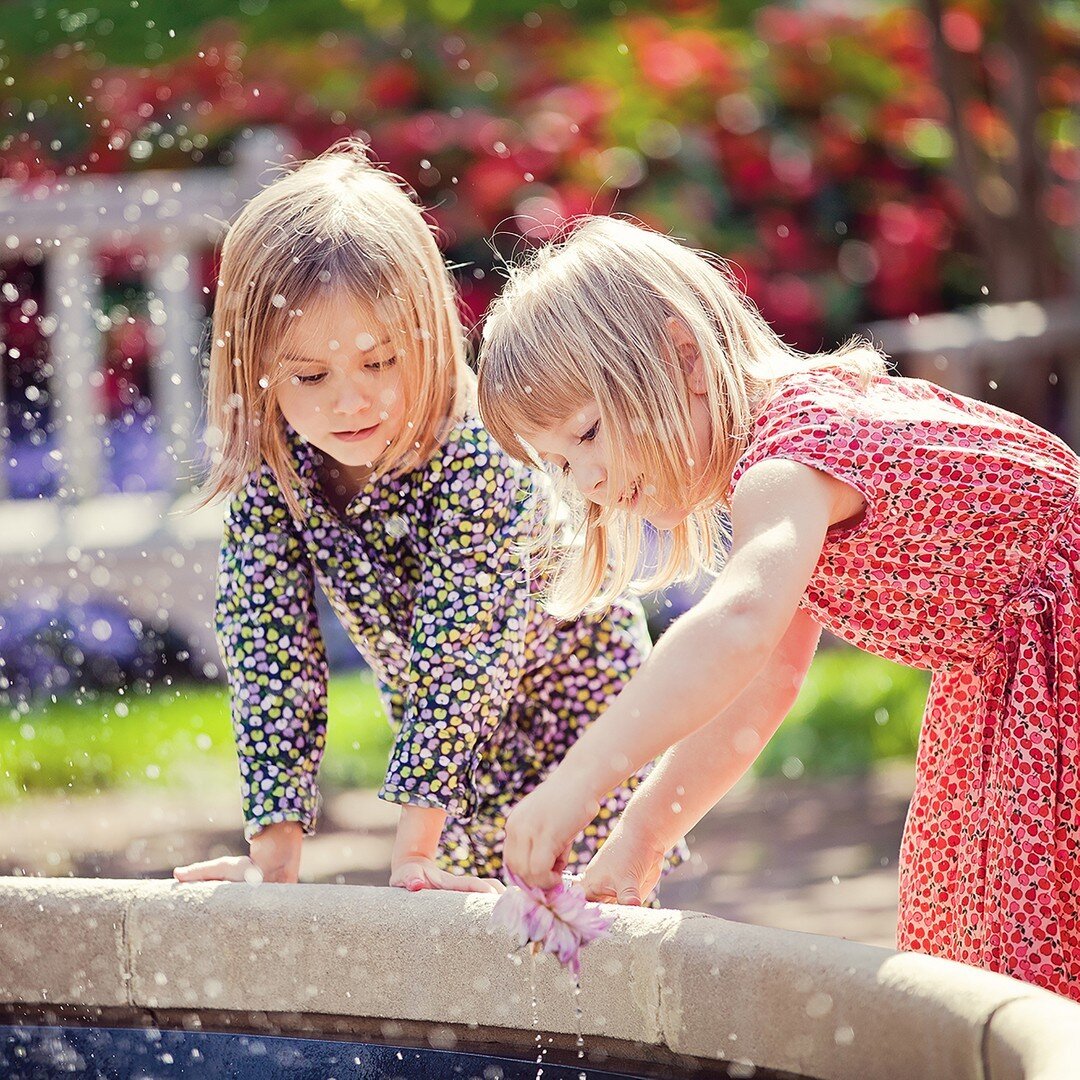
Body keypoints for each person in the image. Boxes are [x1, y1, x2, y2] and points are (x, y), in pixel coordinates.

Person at [476, 214, 1080, 999]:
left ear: (684, 358)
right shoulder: (786, 456)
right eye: (558, 463)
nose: (584, 478)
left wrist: (577, 782)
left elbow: (735, 626)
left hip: (1058, 662)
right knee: (976, 946)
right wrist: (640, 839)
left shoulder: (790, 457)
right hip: (1015, 679)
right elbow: (758, 685)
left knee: (1026, 962)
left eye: (589, 432)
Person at [173, 147, 684, 897]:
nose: (350, 402)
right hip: (456, 763)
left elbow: (461, 655)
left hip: (583, 740)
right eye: (311, 376)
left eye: (380, 363)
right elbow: (268, 650)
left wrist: (413, 853)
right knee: (485, 978)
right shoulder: (279, 468)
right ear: (255, 365)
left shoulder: (479, 462)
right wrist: (271, 856)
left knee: (580, 941)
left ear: (429, 334)